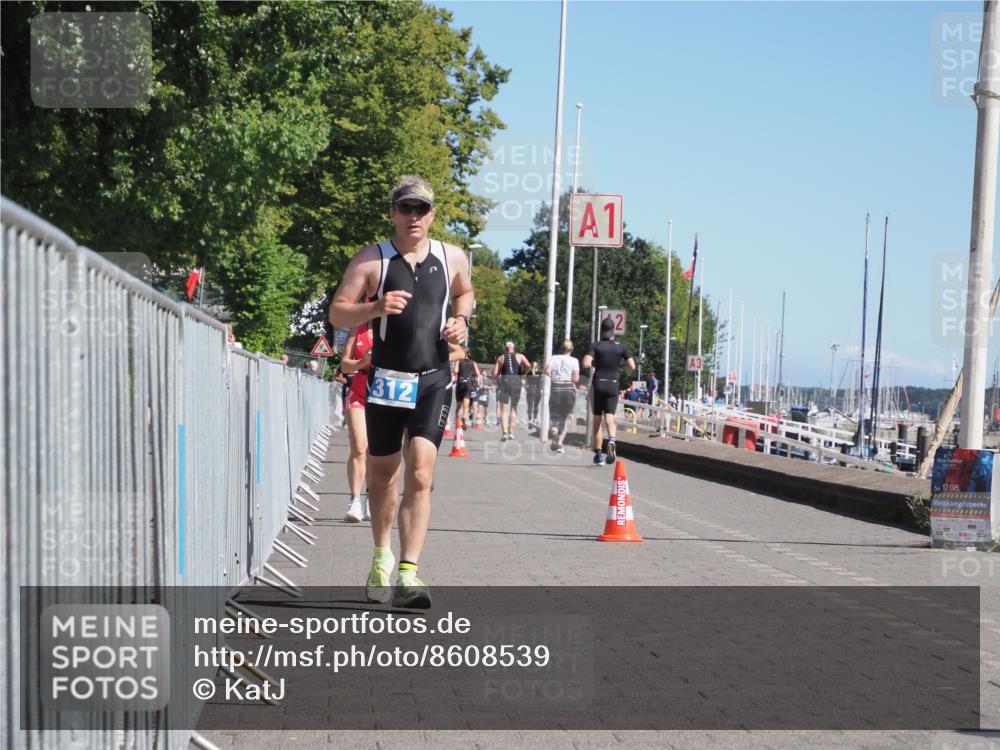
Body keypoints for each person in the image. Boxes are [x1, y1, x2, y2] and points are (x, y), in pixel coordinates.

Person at [329, 175, 473, 609]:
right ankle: (380, 557)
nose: (414, 217)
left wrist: (462, 321)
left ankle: (410, 572)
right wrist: (374, 307)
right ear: (392, 213)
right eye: (406, 209)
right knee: (383, 474)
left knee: (423, 472)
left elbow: (465, 294)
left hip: (434, 377)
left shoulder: (452, 257)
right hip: (387, 379)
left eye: (422, 209)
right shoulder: (372, 260)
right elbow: (338, 311)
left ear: (432, 215)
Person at [582, 317, 636, 465]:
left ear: (602, 330)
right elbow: (632, 366)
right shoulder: (621, 347)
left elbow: (586, 363)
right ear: (613, 331)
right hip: (613, 385)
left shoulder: (596, 346)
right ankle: (612, 440)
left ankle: (599, 455)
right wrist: (620, 367)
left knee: (597, 421)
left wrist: (595, 362)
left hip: (598, 383)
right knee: (610, 417)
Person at [339, 322, 374, 523]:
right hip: (359, 391)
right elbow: (344, 365)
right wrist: (362, 361)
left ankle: (371, 496)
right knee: (359, 446)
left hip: (383, 392)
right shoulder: (357, 329)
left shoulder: (394, 327)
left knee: (375, 451)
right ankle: (354, 500)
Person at [545, 340, 580, 453]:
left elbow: (547, 371)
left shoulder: (554, 358)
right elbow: (575, 379)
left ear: (561, 348)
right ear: (571, 349)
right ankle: (560, 443)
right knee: (565, 417)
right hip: (569, 389)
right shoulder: (574, 361)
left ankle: (554, 429)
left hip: (556, 388)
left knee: (554, 414)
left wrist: (554, 376)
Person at [493, 341, 531, 441]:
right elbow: (528, 364)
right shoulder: (520, 356)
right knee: (514, 408)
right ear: (514, 348)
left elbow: (495, 373)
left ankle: (504, 432)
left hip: (505, 382)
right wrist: (523, 372)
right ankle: (511, 432)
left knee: (503, 410)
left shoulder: (501, 357)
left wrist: (498, 380)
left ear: (506, 348)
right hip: (516, 382)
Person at [453, 348, 480, 429]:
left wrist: (457, 364)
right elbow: (478, 373)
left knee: (458, 405)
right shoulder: (473, 362)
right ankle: (464, 416)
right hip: (468, 383)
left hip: (460, 382)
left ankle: (458, 423)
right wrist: (472, 376)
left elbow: (455, 371)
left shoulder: (458, 361)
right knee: (466, 403)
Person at [524, 363, 542, 429]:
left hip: (531, 389)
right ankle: (534, 419)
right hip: (537, 390)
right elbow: (540, 383)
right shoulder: (540, 373)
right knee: (536, 405)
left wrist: (527, 389)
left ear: (531, 366)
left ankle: (530, 420)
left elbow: (526, 384)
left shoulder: (528, 373)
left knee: (530, 406)